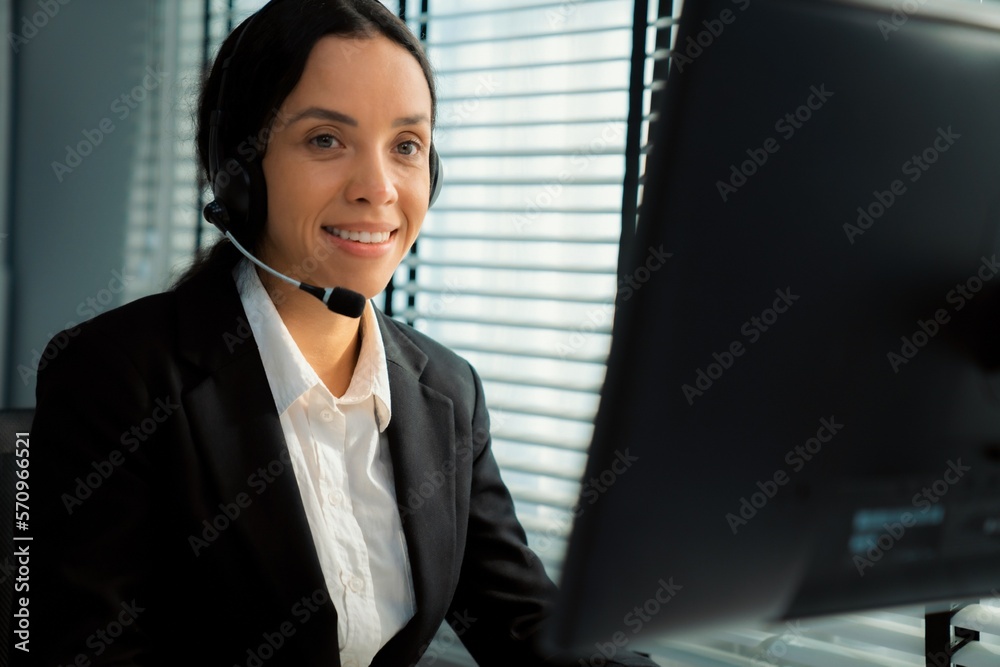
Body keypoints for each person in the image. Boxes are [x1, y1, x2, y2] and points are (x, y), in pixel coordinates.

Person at [31, 1, 661, 665]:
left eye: (407, 146)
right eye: (326, 140)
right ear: (239, 173)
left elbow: (526, 624)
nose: (379, 188)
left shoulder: (447, 392)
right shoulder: (117, 376)